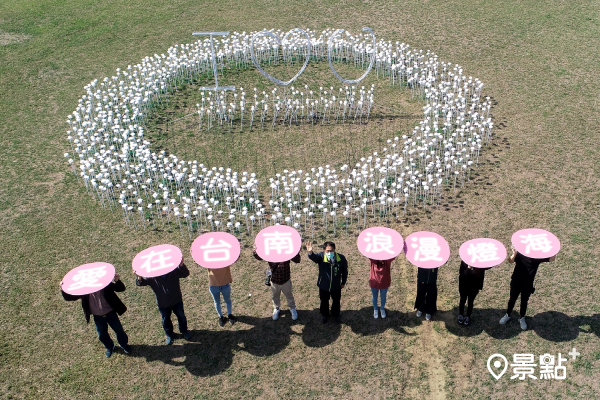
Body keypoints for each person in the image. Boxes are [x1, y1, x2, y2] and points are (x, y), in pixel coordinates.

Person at [60, 273, 131, 358]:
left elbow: (120, 288)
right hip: (98, 317)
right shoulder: (83, 291)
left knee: (119, 330)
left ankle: (124, 344)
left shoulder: (105, 285)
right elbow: (70, 297)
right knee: (102, 334)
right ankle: (109, 347)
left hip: (110, 313)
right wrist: (63, 289)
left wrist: (117, 281)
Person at [135, 258, 191, 344]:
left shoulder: (173, 270)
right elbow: (140, 283)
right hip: (163, 304)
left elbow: (185, 274)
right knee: (166, 319)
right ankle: (169, 334)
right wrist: (139, 276)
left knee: (181, 316)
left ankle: (184, 331)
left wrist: (181, 265)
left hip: (176, 300)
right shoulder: (151, 276)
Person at [499, 246, 556, 330]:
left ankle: (522, 318)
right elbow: (510, 261)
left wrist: (554, 249)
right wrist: (514, 254)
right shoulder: (521, 254)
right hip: (516, 281)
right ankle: (507, 315)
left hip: (528, 284)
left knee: (524, 301)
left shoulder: (537, 257)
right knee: (512, 299)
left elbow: (551, 259)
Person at [253, 245, 301, 321]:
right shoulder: (270, 253)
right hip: (275, 281)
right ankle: (276, 308)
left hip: (286, 280)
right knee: (275, 296)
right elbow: (260, 257)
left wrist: (296, 252)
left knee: (289, 295)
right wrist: (255, 252)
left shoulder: (286, 252)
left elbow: (297, 260)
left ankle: (292, 308)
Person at [306, 241, 348, 323]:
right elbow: (314, 257)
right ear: (324, 250)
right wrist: (310, 252)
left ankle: (335, 314)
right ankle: (324, 314)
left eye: (331, 250)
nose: (330, 252)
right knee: (324, 301)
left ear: (334, 250)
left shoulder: (341, 258)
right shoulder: (321, 257)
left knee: (336, 301)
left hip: (336, 286)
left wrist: (343, 282)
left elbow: (344, 271)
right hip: (323, 286)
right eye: (327, 251)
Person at [457, 261, 486, 326]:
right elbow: (462, 274)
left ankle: (468, 316)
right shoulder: (464, 262)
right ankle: (461, 315)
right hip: (464, 286)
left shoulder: (480, 264)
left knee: (470, 302)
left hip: (474, 288)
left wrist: (479, 287)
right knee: (462, 300)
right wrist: (468, 268)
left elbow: (481, 276)